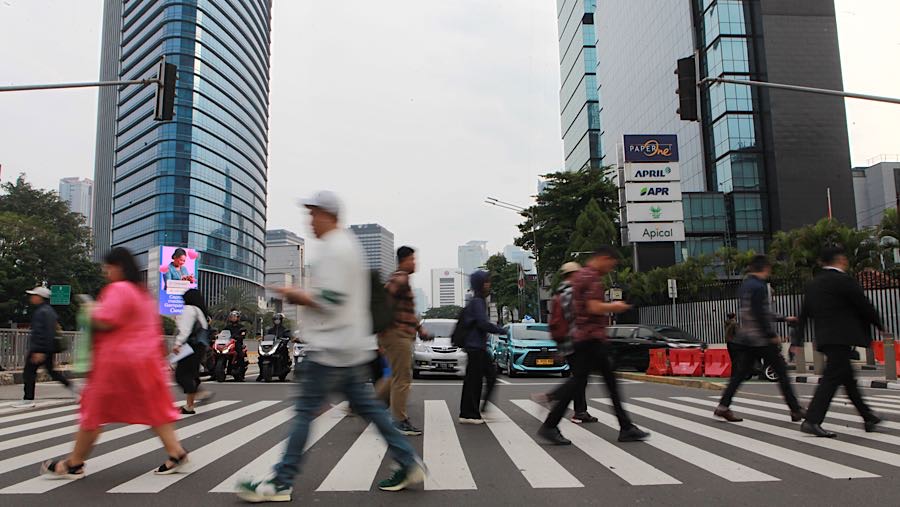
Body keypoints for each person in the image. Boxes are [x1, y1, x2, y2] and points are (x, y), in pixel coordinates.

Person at [236, 191, 424, 502]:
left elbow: (331, 299)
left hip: (331, 349)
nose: (309, 220)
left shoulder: (336, 249)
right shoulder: (346, 246)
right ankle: (408, 462)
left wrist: (293, 294)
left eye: (313, 214)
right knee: (372, 410)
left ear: (328, 215)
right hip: (348, 347)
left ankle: (282, 480)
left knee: (304, 413)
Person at [40, 247, 186, 479]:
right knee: (153, 409)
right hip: (146, 363)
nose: (105, 273)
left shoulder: (119, 289)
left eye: (108, 268)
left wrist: (91, 310)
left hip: (118, 363)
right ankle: (176, 452)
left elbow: (106, 320)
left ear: (119, 267)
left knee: (93, 409)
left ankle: (74, 463)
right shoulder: (142, 294)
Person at [538, 247, 649, 445]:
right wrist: (616, 306)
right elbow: (593, 306)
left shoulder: (581, 276)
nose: (610, 269)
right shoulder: (591, 278)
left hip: (586, 338)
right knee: (586, 382)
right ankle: (550, 423)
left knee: (597, 382)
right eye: (611, 264)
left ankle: (625, 427)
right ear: (604, 258)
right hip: (591, 339)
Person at [792, 247, 887, 437]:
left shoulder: (813, 284)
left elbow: (803, 315)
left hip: (825, 338)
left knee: (847, 379)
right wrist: (880, 325)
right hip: (842, 337)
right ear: (841, 260)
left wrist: (797, 340)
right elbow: (864, 305)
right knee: (831, 378)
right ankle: (812, 420)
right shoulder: (843, 280)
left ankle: (868, 417)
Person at [715, 255, 804, 423]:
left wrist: (783, 318)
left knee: (740, 375)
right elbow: (760, 313)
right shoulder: (759, 286)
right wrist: (771, 335)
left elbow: (753, 312)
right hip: (761, 339)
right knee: (781, 372)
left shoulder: (746, 285)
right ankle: (795, 409)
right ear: (765, 268)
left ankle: (723, 406)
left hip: (746, 338)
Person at [530, 262, 598, 424]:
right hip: (575, 342)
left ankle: (579, 410)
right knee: (579, 378)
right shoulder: (571, 292)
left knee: (580, 378)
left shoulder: (559, 293)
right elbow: (573, 319)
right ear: (573, 275)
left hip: (567, 342)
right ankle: (554, 398)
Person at [376, 246, 430, 436]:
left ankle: (369, 407)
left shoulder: (401, 279)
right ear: (404, 260)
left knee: (395, 376)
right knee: (403, 378)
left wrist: (420, 329)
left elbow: (407, 313)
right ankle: (399, 420)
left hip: (399, 334)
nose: (415, 263)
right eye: (412, 259)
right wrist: (383, 330)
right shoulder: (400, 278)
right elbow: (384, 303)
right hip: (397, 334)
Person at [12, 287, 76, 408]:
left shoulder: (42, 312)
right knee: (51, 371)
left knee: (29, 372)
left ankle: (28, 399)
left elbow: (44, 332)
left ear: (40, 297)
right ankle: (72, 387)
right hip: (46, 348)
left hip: (40, 348)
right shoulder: (48, 311)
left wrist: (39, 350)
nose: (32, 297)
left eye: (34, 295)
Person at [457, 270, 506, 424]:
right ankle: (469, 414)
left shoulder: (477, 300)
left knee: (484, 377)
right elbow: (482, 323)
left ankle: (473, 411)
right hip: (475, 346)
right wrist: (501, 330)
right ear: (479, 284)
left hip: (476, 346)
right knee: (475, 380)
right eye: (486, 282)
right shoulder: (478, 301)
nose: (488, 285)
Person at [173, 289, 213, 414]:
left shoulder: (189, 309)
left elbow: (185, 330)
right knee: (192, 375)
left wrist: (178, 343)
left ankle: (201, 393)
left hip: (189, 346)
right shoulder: (201, 312)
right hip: (200, 347)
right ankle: (189, 406)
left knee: (180, 375)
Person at [257, 313, 292, 382]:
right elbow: (267, 337)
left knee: (284, 352)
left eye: (278, 319)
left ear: (281, 320)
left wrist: (286, 338)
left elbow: (288, 336)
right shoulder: (270, 330)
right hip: (272, 346)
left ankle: (285, 366)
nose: (277, 321)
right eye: (275, 319)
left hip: (280, 346)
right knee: (261, 357)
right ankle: (261, 373)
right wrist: (262, 339)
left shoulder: (284, 329)